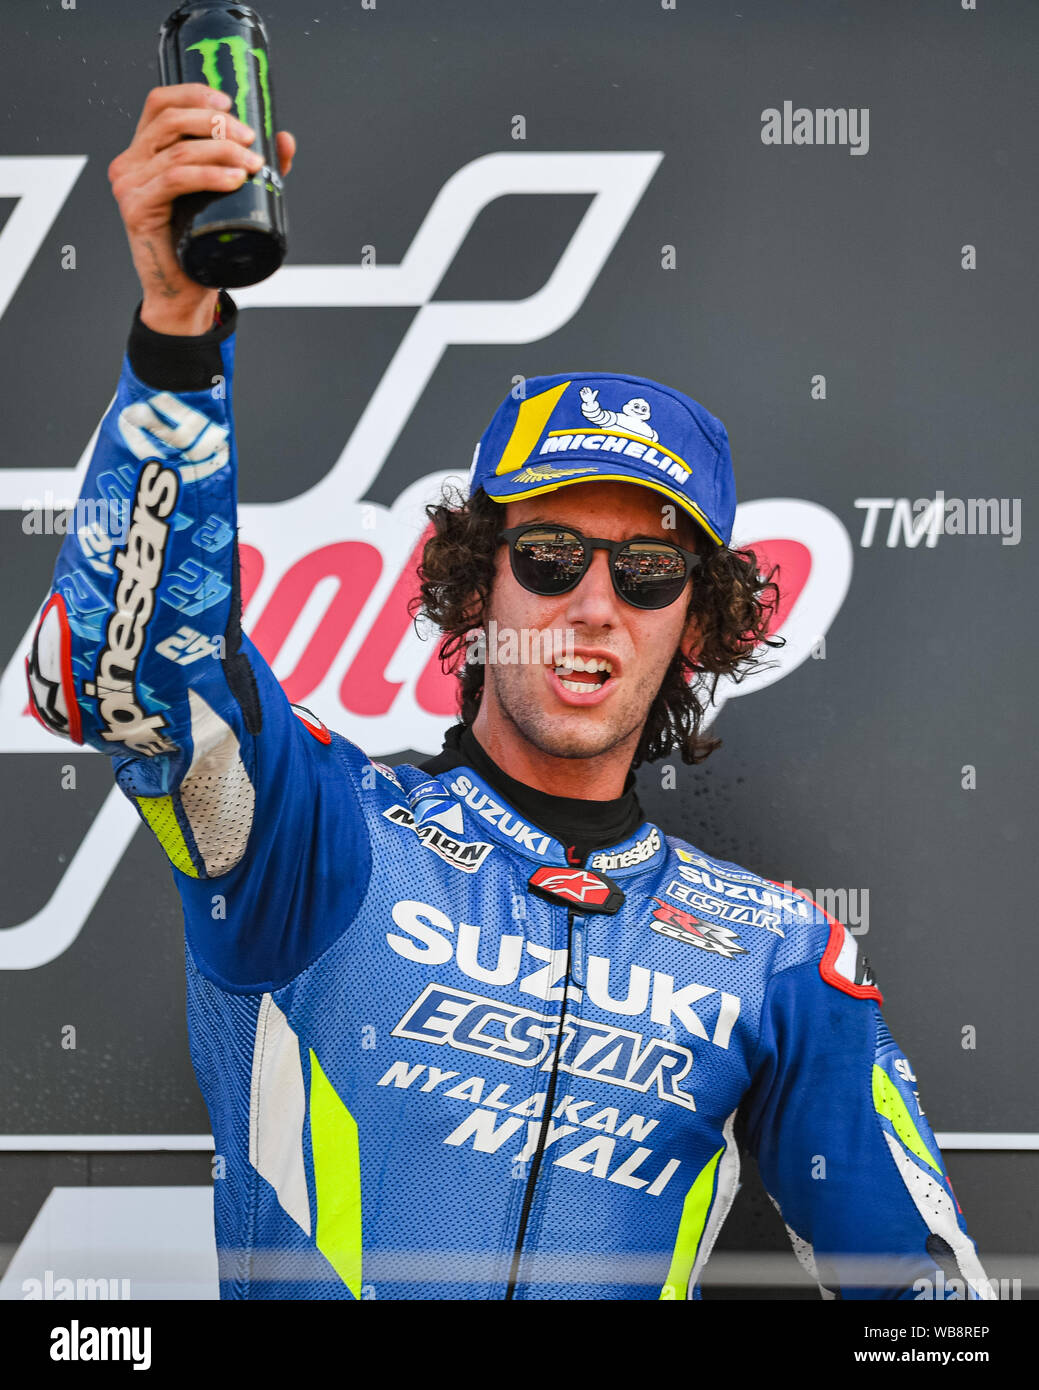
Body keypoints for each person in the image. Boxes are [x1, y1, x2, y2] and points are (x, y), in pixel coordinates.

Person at [26, 83, 991, 1302]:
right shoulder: (313, 833)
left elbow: (932, 1306)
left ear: (697, 628)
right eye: (547, 558)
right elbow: (132, 672)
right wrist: (177, 330)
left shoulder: (776, 954)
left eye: (646, 572)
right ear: (476, 591)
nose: (592, 604)